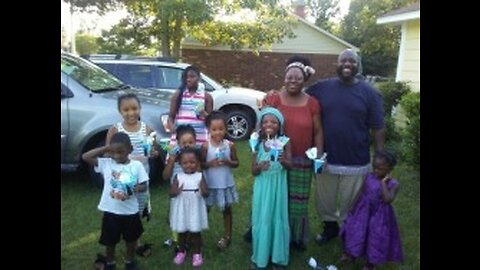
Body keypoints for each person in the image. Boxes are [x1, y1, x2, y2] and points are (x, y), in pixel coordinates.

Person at [305, 49, 385, 245]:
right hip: (325, 157)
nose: (347, 64)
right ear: (337, 64)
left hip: (356, 158)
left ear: (358, 65)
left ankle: (349, 231)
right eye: (343, 61)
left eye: (352, 61)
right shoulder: (322, 87)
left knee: (352, 201)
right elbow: (296, 93)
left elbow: (378, 127)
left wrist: (380, 155)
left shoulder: (370, 93)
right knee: (325, 199)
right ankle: (330, 228)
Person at [262, 56, 323, 250]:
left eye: (297, 78)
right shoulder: (273, 98)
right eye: (289, 77)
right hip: (276, 159)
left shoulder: (312, 103)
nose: (293, 81)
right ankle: (270, 234)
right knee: (274, 198)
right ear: (284, 78)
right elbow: (264, 125)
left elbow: (318, 131)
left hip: (302, 160)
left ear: (304, 79)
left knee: (298, 202)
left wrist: (319, 156)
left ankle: (295, 238)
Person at [82, 132, 148, 270]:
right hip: (111, 211)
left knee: (131, 240)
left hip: (130, 211)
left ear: (130, 149)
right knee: (110, 240)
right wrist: (106, 148)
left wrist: (136, 188)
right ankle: (110, 262)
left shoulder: (136, 166)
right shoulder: (106, 164)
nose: (117, 156)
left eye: (121, 152)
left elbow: (144, 185)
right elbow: (85, 157)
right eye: (113, 152)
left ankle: (129, 261)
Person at [105, 93, 158, 257]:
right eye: (126, 109)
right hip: (121, 179)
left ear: (140, 108)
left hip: (142, 177)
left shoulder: (146, 129)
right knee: (123, 208)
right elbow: (108, 152)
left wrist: (154, 153)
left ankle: (136, 240)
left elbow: (153, 150)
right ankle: (123, 237)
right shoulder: (115, 130)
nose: (131, 113)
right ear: (120, 111)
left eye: (134, 108)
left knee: (138, 209)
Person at [339, 150, 403, 270]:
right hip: (362, 211)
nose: (376, 170)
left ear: (390, 169)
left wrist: (383, 183)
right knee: (356, 232)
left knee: (375, 238)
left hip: (379, 216)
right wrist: (353, 205)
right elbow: (361, 191)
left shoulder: (394, 184)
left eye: (380, 168)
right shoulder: (369, 176)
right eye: (374, 167)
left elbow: (387, 199)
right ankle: (352, 254)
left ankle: (370, 263)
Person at [250, 107, 292, 269]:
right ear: (261, 125)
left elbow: (290, 165)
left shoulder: (285, 142)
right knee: (262, 218)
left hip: (278, 188)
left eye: (274, 122)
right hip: (262, 187)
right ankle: (260, 256)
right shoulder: (257, 143)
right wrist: (260, 166)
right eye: (265, 121)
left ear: (280, 125)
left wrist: (282, 159)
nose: (269, 124)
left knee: (277, 218)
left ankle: (278, 257)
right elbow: (253, 171)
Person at [201, 111, 239, 251]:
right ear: (208, 130)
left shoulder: (230, 145)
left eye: (221, 129)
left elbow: (236, 163)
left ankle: (227, 236)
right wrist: (210, 163)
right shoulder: (206, 146)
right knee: (205, 209)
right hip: (210, 184)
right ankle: (197, 234)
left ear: (226, 129)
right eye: (214, 129)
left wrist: (228, 161)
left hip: (225, 183)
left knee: (227, 210)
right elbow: (201, 165)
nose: (218, 133)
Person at [169, 147, 209, 267]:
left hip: (195, 207)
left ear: (197, 163)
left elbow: (206, 193)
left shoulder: (200, 176)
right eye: (185, 163)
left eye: (192, 162)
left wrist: (203, 190)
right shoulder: (178, 176)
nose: (189, 165)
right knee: (182, 231)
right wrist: (175, 191)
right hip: (182, 208)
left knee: (195, 231)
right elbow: (171, 193)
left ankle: (197, 253)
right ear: (180, 164)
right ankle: (181, 251)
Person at [162, 124, 197, 251]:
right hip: (177, 194)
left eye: (191, 142)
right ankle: (177, 240)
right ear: (178, 143)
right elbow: (165, 176)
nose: (187, 145)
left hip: (192, 194)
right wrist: (171, 161)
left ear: (196, 141)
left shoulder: (196, 157)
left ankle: (189, 238)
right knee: (175, 217)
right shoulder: (174, 157)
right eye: (184, 143)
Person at [167, 65, 213, 146]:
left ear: (199, 78)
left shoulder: (207, 97)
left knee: (197, 158)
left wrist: (204, 114)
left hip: (199, 136)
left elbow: (211, 121)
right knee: (178, 157)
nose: (188, 79)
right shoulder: (178, 94)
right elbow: (171, 116)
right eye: (186, 77)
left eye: (192, 76)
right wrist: (172, 128)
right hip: (181, 137)